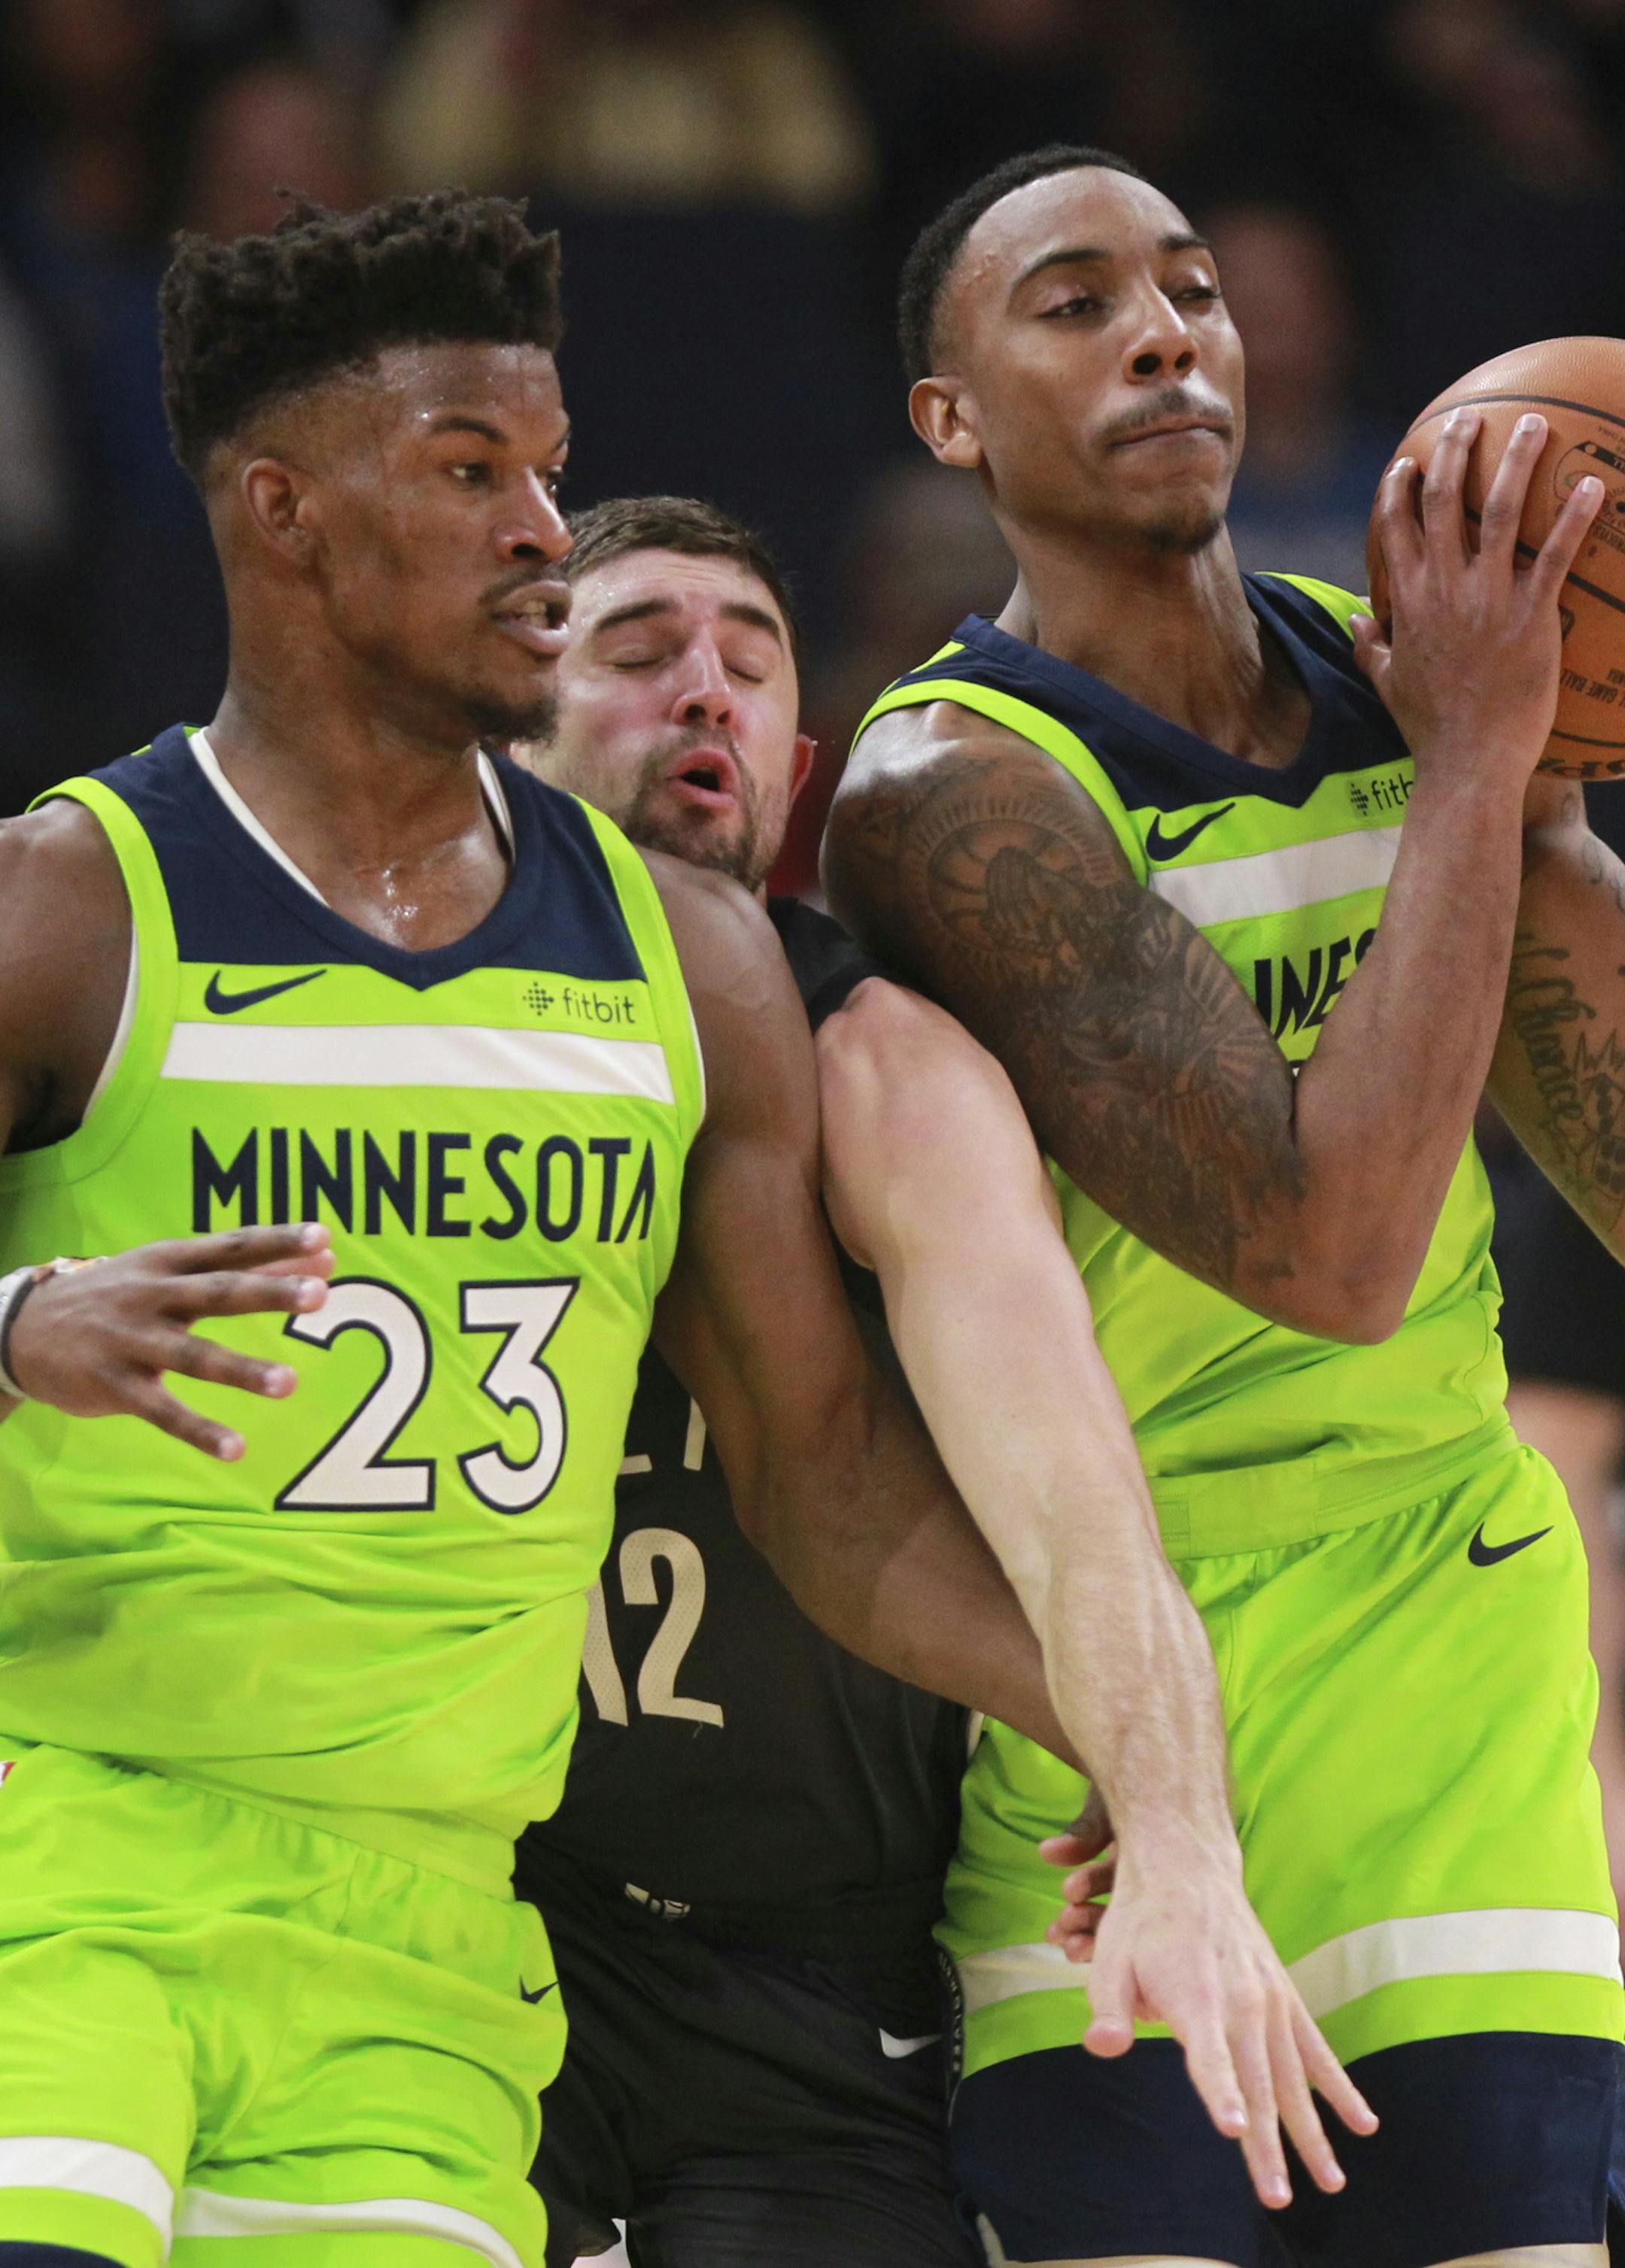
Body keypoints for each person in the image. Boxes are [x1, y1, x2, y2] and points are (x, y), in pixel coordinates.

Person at [0, 192, 1089, 2268]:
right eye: (470, 470)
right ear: (287, 515)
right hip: (61, 1860)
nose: (538, 527)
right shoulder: (72, 901)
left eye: (548, 466)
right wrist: (19, 1315)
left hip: (429, 1935)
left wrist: (1118, 1728)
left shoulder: (683, 957)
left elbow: (828, 1483)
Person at [825, 140, 1618, 2268]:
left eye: (1191, 287)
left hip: (1450, 1630)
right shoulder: (950, 788)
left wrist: (1539, 775)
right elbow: (1327, 1255)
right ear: (951, 417)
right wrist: (1471, 772)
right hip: (1118, 1671)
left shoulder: (1419, 676)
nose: (1165, 331)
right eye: (1075, 304)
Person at [518, 490, 1368, 2263]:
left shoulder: (884, 1059)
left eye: (748, 662)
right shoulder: (394, 1033)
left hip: (818, 1965)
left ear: (799, 752)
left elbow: (1070, 1490)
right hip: (495, 1913)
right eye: (641, 649)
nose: (705, 693)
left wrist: (1165, 1793)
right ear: (514, 709)